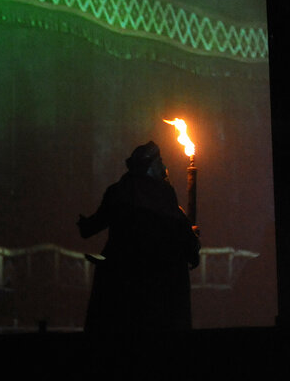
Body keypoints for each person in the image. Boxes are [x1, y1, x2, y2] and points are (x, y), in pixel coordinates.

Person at [77, 141, 201, 331]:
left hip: (120, 287)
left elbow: (89, 229)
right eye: (160, 162)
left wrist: (83, 223)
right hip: (156, 289)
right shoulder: (162, 195)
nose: (165, 167)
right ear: (150, 167)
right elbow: (180, 232)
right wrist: (192, 244)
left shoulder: (117, 191)